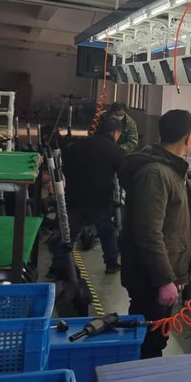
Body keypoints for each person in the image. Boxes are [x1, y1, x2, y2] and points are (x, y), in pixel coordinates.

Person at [117, 109, 191, 359]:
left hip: (162, 274)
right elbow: (148, 232)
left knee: (156, 339)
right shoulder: (155, 173)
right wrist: (164, 280)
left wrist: (177, 273)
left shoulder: (171, 170)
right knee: (147, 344)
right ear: (189, 137)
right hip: (150, 278)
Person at [56, 118, 126, 276]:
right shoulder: (116, 151)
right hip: (100, 200)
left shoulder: (76, 145)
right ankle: (111, 263)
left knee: (68, 232)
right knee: (107, 232)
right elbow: (125, 174)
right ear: (115, 133)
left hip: (74, 197)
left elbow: (64, 166)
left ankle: (58, 264)